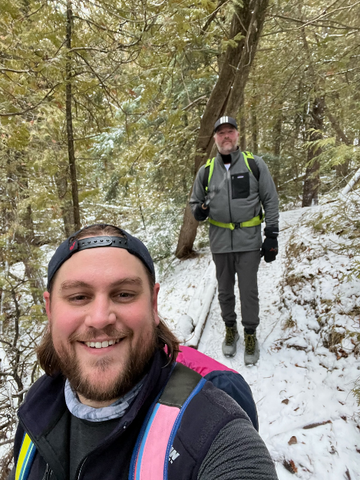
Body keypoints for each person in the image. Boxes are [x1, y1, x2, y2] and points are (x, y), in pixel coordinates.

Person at [8, 224, 279, 480]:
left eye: (124, 294)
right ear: (50, 309)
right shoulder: (36, 408)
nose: (101, 318)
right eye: (79, 297)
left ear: (153, 303)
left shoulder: (215, 432)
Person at [190, 116, 279, 362]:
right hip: (219, 242)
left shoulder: (254, 165)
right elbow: (194, 202)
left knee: (248, 291)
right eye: (221, 133)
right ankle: (231, 329)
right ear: (215, 138)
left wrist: (271, 234)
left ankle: (250, 333)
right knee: (225, 291)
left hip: (249, 241)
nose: (225, 136)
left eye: (230, 132)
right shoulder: (206, 171)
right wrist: (199, 210)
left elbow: (270, 199)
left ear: (237, 135)